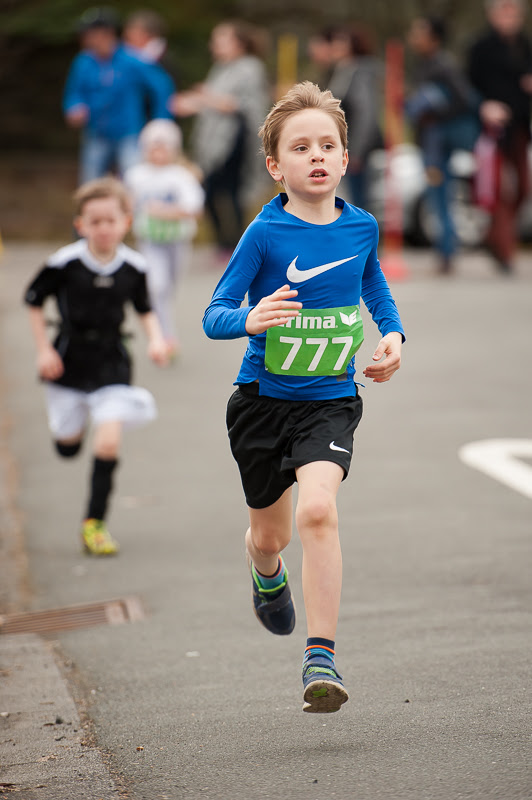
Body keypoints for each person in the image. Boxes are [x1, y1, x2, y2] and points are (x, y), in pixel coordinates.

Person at [202, 82, 405, 713]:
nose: (316, 155)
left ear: (345, 158)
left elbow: (373, 285)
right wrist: (250, 318)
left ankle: (322, 657)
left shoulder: (362, 226)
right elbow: (214, 314)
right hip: (261, 403)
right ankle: (265, 570)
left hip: (330, 402)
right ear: (275, 166)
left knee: (318, 511)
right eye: (300, 147)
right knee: (272, 537)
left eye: (327, 145)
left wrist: (393, 334)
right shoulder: (263, 233)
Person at [23, 177, 168, 555]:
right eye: (95, 221)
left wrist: (156, 339)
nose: (103, 228)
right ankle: (76, 426)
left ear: (126, 222)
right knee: (68, 447)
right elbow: (33, 300)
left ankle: (94, 524)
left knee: (108, 441)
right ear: (81, 224)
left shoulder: (134, 266)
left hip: (112, 363)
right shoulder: (64, 263)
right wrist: (43, 350)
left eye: (111, 220)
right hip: (68, 362)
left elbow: (144, 309)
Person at [174, 19, 270, 260]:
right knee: (210, 191)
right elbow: (212, 102)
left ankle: (236, 243)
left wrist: (204, 97)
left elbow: (242, 105)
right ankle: (225, 243)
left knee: (232, 192)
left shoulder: (250, 67)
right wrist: (191, 102)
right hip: (213, 143)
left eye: (221, 40)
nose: (214, 45)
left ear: (238, 43)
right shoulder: (220, 68)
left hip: (235, 139)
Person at [63, 6, 176, 183]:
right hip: (96, 133)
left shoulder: (130, 59)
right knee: (90, 182)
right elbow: (74, 92)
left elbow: (162, 85)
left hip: (128, 133)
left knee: (133, 180)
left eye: (89, 33)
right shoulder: (83, 61)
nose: (85, 38)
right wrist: (74, 106)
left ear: (106, 33)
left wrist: (161, 121)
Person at [124, 119, 205, 358]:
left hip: (177, 240)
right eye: (153, 146)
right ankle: (164, 336)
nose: (157, 152)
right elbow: (127, 205)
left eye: (163, 147)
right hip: (150, 240)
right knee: (157, 286)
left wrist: (166, 212)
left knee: (169, 288)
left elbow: (194, 209)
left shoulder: (181, 176)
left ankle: (161, 326)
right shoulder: (135, 175)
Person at [406, 16, 480, 274]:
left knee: (439, 195)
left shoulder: (443, 66)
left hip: (437, 144)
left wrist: (433, 112)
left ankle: (447, 251)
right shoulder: (425, 64)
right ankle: (445, 251)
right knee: (436, 195)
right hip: (429, 142)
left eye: (420, 32)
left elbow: (464, 100)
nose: (414, 37)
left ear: (433, 37)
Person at [467, 0, 532, 274]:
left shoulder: (525, 46)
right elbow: (467, 87)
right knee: (499, 190)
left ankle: (492, 238)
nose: (508, 17)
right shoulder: (481, 48)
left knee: (523, 188)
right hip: (491, 133)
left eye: (512, 11)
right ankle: (505, 251)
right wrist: (484, 106)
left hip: (520, 128)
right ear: (493, 14)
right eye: (503, 11)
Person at [327, 23, 384, 209]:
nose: (335, 46)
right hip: (346, 145)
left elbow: (365, 113)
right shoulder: (344, 70)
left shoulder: (360, 72)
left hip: (357, 148)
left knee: (359, 201)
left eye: (341, 42)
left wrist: (357, 151)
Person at [123, 9, 180, 92]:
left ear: (147, 34)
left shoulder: (161, 61)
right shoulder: (132, 56)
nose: (126, 35)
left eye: (132, 31)